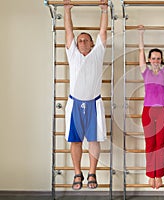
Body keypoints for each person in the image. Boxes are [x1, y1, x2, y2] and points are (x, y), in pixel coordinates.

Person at [63, 0, 108, 190]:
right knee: (75, 140)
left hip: (94, 104)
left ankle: (92, 173)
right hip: (74, 104)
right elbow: (68, 32)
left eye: (85, 40)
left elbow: (103, 33)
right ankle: (77, 173)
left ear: (91, 43)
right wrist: (67, 10)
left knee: (93, 140)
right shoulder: (72, 54)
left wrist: (104, 11)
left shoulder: (97, 53)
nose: (82, 42)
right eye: (79, 40)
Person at [138, 24, 164, 189]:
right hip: (147, 111)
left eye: (158, 58)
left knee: (160, 143)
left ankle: (158, 175)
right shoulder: (145, 72)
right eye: (153, 58)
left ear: (161, 60)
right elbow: (140, 51)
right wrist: (141, 34)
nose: (156, 60)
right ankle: (150, 175)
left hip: (162, 112)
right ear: (149, 60)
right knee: (150, 144)